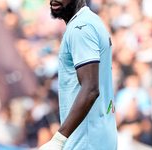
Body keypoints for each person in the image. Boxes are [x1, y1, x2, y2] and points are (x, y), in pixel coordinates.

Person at [39, 0, 118, 149]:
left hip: (85, 142)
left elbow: (90, 88)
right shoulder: (92, 20)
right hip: (99, 139)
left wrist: (58, 139)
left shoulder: (80, 28)